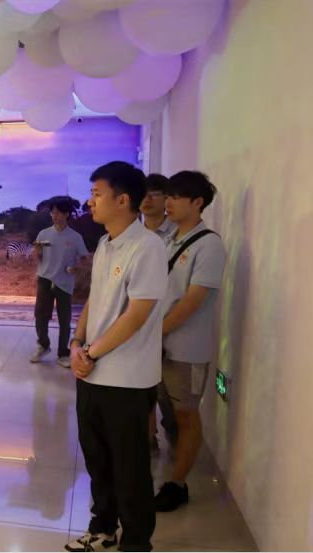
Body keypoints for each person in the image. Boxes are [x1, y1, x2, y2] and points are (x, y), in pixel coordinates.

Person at [66, 162, 167, 552]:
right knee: (98, 460)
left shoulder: (147, 247)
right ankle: (103, 527)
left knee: (130, 466)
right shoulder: (106, 244)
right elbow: (96, 299)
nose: (90, 201)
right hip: (92, 372)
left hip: (126, 379)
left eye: (97, 194)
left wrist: (90, 352)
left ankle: (137, 542)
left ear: (123, 200)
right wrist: (77, 341)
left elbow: (136, 315)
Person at [154, 171, 227, 512]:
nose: (168, 202)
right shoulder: (167, 240)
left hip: (186, 350)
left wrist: (156, 332)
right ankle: (170, 468)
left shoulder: (209, 245)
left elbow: (192, 300)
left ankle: (178, 484)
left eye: (176, 196)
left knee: (185, 415)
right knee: (167, 413)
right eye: (168, 195)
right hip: (159, 346)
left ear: (198, 202)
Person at [141, 173, 179, 452]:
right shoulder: (133, 235)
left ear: (167, 198)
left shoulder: (178, 235)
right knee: (142, 388)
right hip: (139, 324)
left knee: (168, 393)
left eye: (154, 193)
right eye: (143, 193)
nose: (147, 199)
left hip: (170, 325)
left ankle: (175, 440)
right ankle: (148, 439)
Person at [31, 198, 89, 368]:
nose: (54, 215)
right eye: (53, 212)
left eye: (58, 212)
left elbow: (84, 259)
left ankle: (63, 353)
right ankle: (43, 345)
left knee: (64, 319)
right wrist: (37, 252)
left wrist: (77, 268)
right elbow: (38, 257)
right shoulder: (43, 234)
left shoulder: (75, 237)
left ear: (67, 214)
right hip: (44, 279)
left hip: (64, 281)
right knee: (40, 316)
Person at [141, 174, 178, 238]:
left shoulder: (178, 229)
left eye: (153, 194)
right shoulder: (135, 233)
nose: (146, 199)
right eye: (142, 195)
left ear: (166, 198)